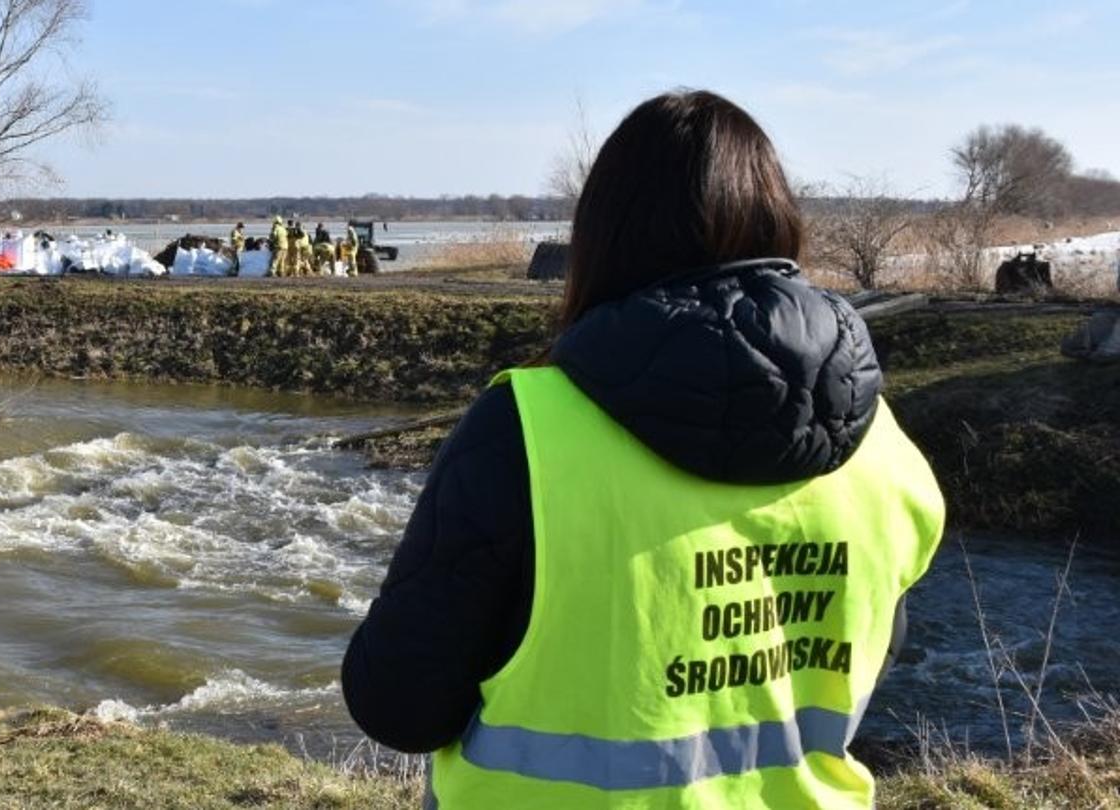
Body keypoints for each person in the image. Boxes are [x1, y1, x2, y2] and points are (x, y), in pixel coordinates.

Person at [342, 90, 945, 809]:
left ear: (605, 235)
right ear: (781, 224)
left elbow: (399, 706)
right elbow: (875, 650)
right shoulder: (885, 443)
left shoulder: (526, 430)